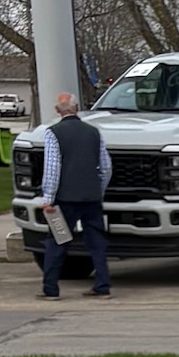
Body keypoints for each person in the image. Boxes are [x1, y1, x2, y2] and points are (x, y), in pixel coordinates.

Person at [36, 91, 112, 299]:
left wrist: (48, 198)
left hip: (64, 200)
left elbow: (53, 168)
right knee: (96, 242)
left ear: (57, 111)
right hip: (91, 199)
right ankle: (103, 285)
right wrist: (99, 190)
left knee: (58, 240)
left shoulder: (54, 133)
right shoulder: (94, 132)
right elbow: (105, 167)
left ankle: (51, 288)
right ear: (77, 108)